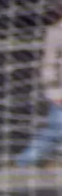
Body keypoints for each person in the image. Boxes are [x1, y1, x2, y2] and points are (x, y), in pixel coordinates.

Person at [16, 13, 62, 168]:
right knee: (56, 130)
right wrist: (54, 92)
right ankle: (25, 160)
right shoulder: (56, 31)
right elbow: (49, 64)